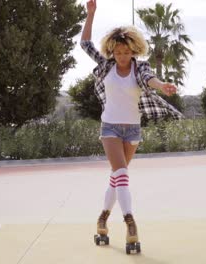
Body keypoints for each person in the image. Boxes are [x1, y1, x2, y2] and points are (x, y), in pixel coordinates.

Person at [81, 0, 184, 252]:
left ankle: (103, 218)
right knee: (123, 175)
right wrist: (91, 14)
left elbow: (150, 81)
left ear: (133, 51)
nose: (122, 56)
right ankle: (130, 223)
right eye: (118, 52)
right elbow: (85, 44)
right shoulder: (106, 66)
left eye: (126, 52)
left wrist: (164, 86)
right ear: (112, 52)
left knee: (117, 178)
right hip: (110, 128)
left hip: (133, 130)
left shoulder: (141, 67)